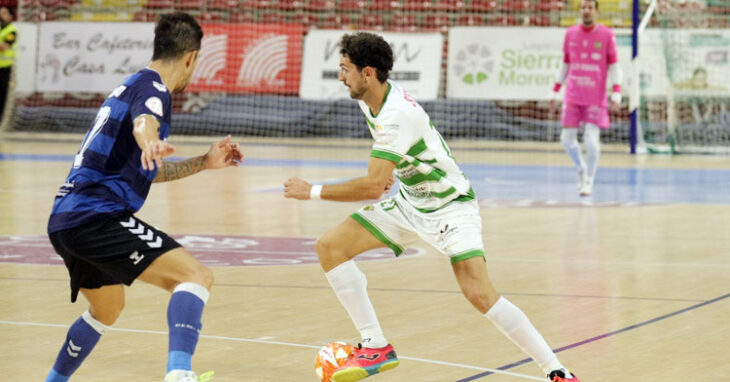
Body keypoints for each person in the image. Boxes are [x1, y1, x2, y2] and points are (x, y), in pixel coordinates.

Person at [284, 32, 580, 382]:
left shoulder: (396, 115)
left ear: (367, 73)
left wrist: (311, 191)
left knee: (479, 294)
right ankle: (375, 344)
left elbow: (372, 185)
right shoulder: (369, 100)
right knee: (330, 247)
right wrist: (398, 172)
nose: (340, 76)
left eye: (345, 68)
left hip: (450, 207)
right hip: (411, 202)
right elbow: (386, 174)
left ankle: (556, 371)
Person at [44, 13, 242, 382]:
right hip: (95, 216)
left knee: (107, 308)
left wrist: (203, 162)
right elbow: (143, 123)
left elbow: (144, 168)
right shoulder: (153, 90)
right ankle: (179, 375)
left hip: (66, 220)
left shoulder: (131, 84)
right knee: (195, 277)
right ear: (190, 58)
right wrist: (149, 139)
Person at [550, 0, 622, 197]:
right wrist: (556, 90)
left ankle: (589, 179)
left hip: (595, 97)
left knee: (591, 139)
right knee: (566, 139)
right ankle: (581, 167)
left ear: (597, 11)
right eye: (583, 7)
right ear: (580, 10)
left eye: (590, 7)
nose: (586, 11)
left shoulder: (607, 35)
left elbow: (614, 66)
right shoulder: (571, 34)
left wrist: (616, 91)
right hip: (573, 93)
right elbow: (565, 63)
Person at [0, 6, 16, 122]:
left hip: (4, 69)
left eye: (4, 13)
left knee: (2, 97)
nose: (1, 16)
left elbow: (4, 47)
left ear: (10, 16)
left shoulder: (12, 30)